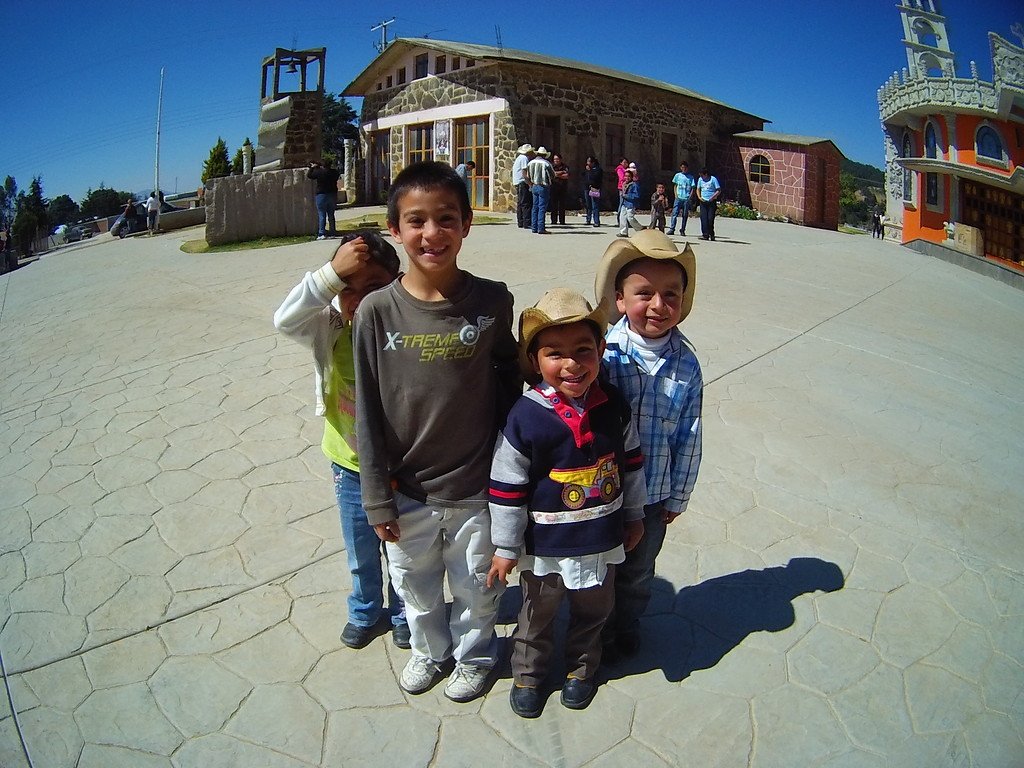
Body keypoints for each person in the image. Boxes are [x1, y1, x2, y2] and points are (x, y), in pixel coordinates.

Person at [353, 160, 523, 703]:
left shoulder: (492, 300)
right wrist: (376, 497)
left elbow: (510, 380)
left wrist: (513, 474)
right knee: (416, 587)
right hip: (407, 492)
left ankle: (475, 657)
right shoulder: (376, 311)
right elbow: (367, 411)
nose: (433, 233)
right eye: (417, 220)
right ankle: (429, 651)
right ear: (394, 229)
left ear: (467, 224)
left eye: (447, 218)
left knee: (477, 587)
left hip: (476, 487)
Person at [488, 288, 646, 718]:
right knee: (536, 614)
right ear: (535, 360)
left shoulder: (614, 406)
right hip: (545, 546)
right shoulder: (524, 415)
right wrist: (506, 546)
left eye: (583, 350)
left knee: (594, 612)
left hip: (601, 539)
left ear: (601, 350)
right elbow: (506, 487)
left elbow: (631, 465)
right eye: (555, 353)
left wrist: (634, 515)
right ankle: (528, 674)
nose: (572, 364)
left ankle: (581, 669)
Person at [273, 230, 410, 651]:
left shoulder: (405, 327)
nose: (359, 299)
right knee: (360, 549)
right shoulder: (329, 327)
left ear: (398, 283)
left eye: (374, 287)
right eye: (347, 288)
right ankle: (365, 610)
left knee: (403, 549)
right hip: (349, 466)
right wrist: (331, 274)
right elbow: (285, 320)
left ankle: (405, 611)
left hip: (401, 467)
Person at [594, 229, 702, 661]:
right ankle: (595, 634)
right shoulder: (602, 355)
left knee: (638, 570)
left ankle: (626, 625)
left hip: (655, 494)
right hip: (600, 492)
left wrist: (679, 495)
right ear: (620, 300)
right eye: (644, 293)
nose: (659, 304)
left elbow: (689, 433)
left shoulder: (687, 364)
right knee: (598, 569)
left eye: (670, 294)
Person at [308, 158, 341, 240]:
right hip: (332, 194)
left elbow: (310, 175)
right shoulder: (334, 172)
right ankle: (332, 232)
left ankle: (321, 233)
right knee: (331, 214)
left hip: (321, 194)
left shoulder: (319, 172)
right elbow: (337, 176)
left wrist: (313, 167)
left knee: (322, 214)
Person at [527, 146, 555, 235]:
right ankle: (541, 227)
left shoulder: (530, 163)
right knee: (542, 207)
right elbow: (553, 175)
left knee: (535, 207)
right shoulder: (546, 163)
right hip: (543, 186)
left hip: (534, 185)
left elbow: (528, 175)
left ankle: (534, 227)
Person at [667, 161, 695, 236]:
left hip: (686, 198)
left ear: (687, 168)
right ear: (680, 168)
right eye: (682, 167)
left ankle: (682, 229)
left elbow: (693, 188)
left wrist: (690, 197)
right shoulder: (677, 175)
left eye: (685, 168)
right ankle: (672, 228)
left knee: (685, 215)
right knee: (674, 213)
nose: (684, 169)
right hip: (678, 197)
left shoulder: (690, 177)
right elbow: (675, 185)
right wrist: (675, 195)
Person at [616, 170, 644, 237]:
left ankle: (640, 229)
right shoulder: (624, 184)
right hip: (624, 203)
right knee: (622, 217)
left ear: (631, 177)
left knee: (630, 218)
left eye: (629, 176)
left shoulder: (634, 185)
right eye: (625, 176)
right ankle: (623, 232)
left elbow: (636, 195)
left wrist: (626, 196)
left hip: (631, 204)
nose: (627, 178)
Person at [512, 144, 535, 228]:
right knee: (526, 203)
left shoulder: (519, 158)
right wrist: (530, 184)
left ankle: (521, 221)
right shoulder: (524, 158)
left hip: (517, 182)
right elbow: (524, 173)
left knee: (520, 203)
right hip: (522, 182)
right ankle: (527, 222)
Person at [696, 168, 721, 241]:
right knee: (704, 219)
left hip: (711, 201)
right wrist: (699, 197)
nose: (701, 177)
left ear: (706, 174)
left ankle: (711, 234)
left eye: (702, 175)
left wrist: (712, 197)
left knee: (710, 219)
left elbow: (718, 190)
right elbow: (698, 189)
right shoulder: (700, 180)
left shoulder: (713, 179)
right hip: (703, 201)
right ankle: (705, 235)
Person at [549, 153, 570, 226]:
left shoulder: (565, 166)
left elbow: (566, 176)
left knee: (562, 205)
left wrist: (556, 175)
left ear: (560, 159)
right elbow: (551, 175)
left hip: (562, 188)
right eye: (555, 159)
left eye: (557, 159)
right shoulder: (551, 166)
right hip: (553, 187)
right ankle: (553, 220)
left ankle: (562, 221)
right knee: (553, 205)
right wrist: (561, 172)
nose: (556, 160)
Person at [583, 156, 603, 227]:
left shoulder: (598, 169)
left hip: (594, 188)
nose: (587, 163)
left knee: (595, 205)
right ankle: (588, 219)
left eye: (589, 161)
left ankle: (596, 221)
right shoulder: (587, 169)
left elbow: (595, 178)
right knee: (588, 205)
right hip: (587, 188)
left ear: (593, 162)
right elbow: (583, 176)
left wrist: (590, 171)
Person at [615, 158, 629, 227]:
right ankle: (619, 220)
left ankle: (626, 220)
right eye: (624, 162)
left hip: (628, 187)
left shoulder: (627, 169)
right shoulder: (620, 169)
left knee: (627, 205)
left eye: (627, 162)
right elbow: (621, 177)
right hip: (622, 188)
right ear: (621, 163)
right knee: (621, 204)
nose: (626, 164)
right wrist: (627, 178)